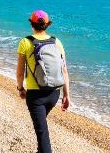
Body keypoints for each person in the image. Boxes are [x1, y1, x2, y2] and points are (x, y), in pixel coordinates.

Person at [16, 10, 70, 153]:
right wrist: (66, 95)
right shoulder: (56, 42)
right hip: (54, 94)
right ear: (47, 25)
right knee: (41, 128)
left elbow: (20, 72)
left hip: (35, 96)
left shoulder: (25, 42)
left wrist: (20, 89)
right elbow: (64, 71)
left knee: (42, 133)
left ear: (31, 24)